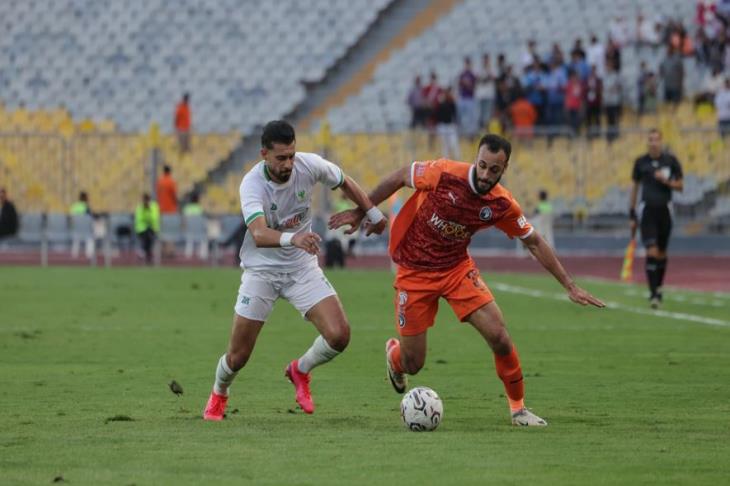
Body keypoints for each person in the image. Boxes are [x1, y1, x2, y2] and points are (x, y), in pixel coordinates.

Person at [329, 134, 605, 426]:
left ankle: (519, 409)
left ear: (505, 168)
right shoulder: (444, 173)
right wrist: (363, 211)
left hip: (456, 269)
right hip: (414, 271)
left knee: (499, 336)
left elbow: (534, 241)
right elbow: (400, 176)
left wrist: (569, 285)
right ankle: (395, 357)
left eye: (494, 170)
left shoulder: (502, 204)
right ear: (476, 159)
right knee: (414, 363)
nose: (486, 174)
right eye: (482, 165)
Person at [202, 120, 387, 420]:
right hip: (262, 271)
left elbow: (344, 180)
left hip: (301, 267)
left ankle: (299, 370)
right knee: (238, 357)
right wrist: (294, 238)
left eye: (291, 155)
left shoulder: (308, 165)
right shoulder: (251, 184)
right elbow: (260, 235)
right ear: (264, 154)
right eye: (281, 158)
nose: (288, 164)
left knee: (339, 335)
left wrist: (373, 213)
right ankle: (219, 392)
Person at [629, 129, 684, 309]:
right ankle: (653, 294)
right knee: (651, 251)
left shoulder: (671, 161)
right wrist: (632, 213)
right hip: (647, 211)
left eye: (656, 139)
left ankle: (658, 288)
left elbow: (680, 185)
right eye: (650, 139)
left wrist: (666, 181)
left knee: (661, 253)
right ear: (648, 142)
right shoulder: (641, 162)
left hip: (665, 211)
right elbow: (635, 188)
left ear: (661, 141)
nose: (653, 142)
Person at [434, 86, 460, 159]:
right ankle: (446, 160)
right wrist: (440, 102)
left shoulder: (451, 102)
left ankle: (457, 159)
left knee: (453, 143)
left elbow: (454, 113)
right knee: (444, 146)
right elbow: (436, 114)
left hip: (450, 125)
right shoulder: (440, 103)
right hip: (442, 126)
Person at [457, 57, 479, 139]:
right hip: (463, 97)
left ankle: (471, 134)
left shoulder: (472, 75)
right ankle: (462, 132)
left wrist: (468, 84)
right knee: (462, 116)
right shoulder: (462, 74)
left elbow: (473, 87)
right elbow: (460, 84)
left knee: (471, 117)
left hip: (470, 98)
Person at [135, 193, 160, 264]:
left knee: (149, 236)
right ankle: (147, 253)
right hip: (142, 229)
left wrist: (148, 211)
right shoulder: (140, 207)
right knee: (147, 236)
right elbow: (139, 219)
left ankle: (143, 251)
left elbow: (154, 218)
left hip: (153, 229)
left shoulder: (154, 207)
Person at [69, 191, 94, 258]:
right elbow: (90, 219)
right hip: (86, 229)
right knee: (90, 239)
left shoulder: (74, 206)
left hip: (76, 229)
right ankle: (89, 255)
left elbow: (71, 218)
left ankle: (74, 254)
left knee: (76, 239)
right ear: (85, 198)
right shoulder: (87, 207)